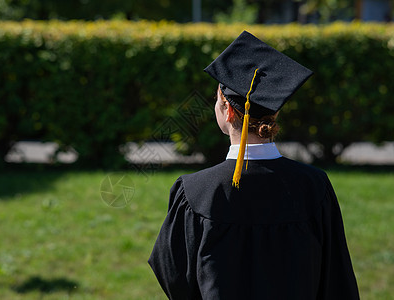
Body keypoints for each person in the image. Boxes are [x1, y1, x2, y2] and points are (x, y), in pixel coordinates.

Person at [148, 31, 360, 299]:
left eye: (217, 99)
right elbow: (336, 281)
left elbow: (174, 278)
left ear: (228, 110)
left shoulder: (194, 193)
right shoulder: (314, 188)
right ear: (276, 112)